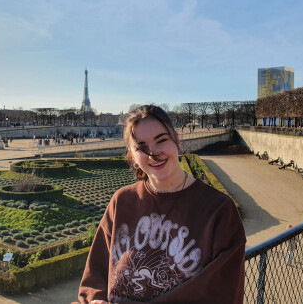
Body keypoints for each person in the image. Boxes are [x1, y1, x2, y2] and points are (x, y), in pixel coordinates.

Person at [75, 105, 246, 304]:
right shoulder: (121, 200)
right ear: (132, 156)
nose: (153, 153)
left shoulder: (220, 210)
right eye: (141, 147)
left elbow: (223, 294)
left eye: (161, 140)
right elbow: (96, 274)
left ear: (177, 140)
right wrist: (95, 300)